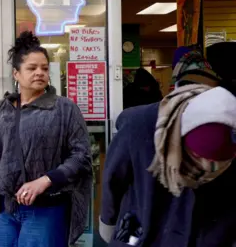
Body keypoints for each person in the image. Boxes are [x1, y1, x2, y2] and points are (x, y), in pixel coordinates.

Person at [0, 31, 92, 247]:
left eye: (44, 68)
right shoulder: (2, 109)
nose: (39, 73)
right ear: (16, 74)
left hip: (47, 210)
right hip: (7, 210)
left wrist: (45, 180)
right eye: (32, 68)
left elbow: (82, 157)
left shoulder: (64, 109)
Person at [100, 85, 236, 246]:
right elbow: (113, 180)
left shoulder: (230, 133)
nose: (206, 168)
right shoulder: (139, 127)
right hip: (144, 229)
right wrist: (108, 224)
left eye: (216, 166)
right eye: (196, 158)